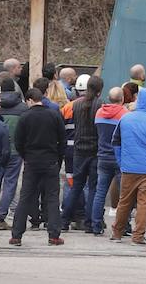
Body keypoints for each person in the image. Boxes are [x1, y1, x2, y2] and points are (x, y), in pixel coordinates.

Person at [8, 88, 66, 246]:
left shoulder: (25, 117)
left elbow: (18, 142)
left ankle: (16, 235)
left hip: (31, 162)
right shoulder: (54, 115)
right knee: (52, 198)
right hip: (51, 161)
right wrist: (58, 158)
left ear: (29, 100)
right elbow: (63, 140)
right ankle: (54, 235)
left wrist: (26, 156)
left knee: (25, 197)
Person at [110, 88, 146, 245]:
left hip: (128, 168)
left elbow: (115, 142)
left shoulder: (125, 119)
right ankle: (138, 236)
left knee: (124, 202)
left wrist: (121, 161)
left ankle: (117, 233)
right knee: (144, 204)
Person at [62, 75, 104, 231]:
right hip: (95, 150)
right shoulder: (100, 105)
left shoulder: (76, 105)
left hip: (79, 150)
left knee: (76, 186)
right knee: (93, 188)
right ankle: (90, 222)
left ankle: (64, 219)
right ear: (100, 90)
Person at [91, 87, 127, 235]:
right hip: (119, 158)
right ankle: (123, 226)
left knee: (100, 192)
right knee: (123, 195)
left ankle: (96, 225)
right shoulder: (124, 115)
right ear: (122, 99)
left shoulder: (99, 112)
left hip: (102, 156)